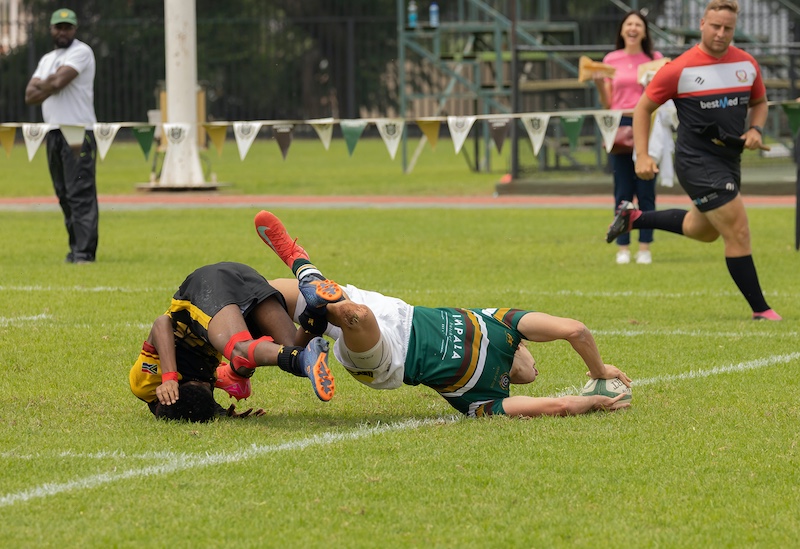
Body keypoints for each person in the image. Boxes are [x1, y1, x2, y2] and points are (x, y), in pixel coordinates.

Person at [255, 210, 632, 418]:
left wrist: (594, 401)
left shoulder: (487, 401)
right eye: (536, 365)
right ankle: (302, 316)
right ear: (524, 345)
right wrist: (600, 371)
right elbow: (575, 330)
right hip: (397, 310)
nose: (535, 375)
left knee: (356, 314)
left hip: (390, 359)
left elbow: (559, 405)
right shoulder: (501, 321)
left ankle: (306, 273)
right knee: (267, 296)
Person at [606, 0, 782, 321]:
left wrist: (755, 129)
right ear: (702, 24)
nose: (721, 33)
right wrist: (642, 155)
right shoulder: (679, 68)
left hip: (730, 160)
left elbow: (760, 102)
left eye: (728, 28)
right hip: (696, 160)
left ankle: (634, 218)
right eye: (715, 26)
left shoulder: (746, 64)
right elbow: (643, 108)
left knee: (704, 230)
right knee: (738, 230)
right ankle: (761, 309)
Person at [129, 262, 335, 422]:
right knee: (293, 346)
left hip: (205, 288)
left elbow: (161, 323)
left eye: (198, 384)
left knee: (239, 351)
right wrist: (224, 414)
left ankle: (300, 359)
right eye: (207, 388)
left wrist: (169, 377)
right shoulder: (198, 391)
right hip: (242, 280)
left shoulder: (145, 386)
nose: (205, 383)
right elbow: (227, 379)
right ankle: (314, 309)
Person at [25, 8, 99, 264]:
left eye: (68, 27)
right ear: (51, 29)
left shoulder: (82, 51)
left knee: (80, 192)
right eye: (59, 27)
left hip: (78, 131)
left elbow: (57, 84)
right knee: (63, 193)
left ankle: (84, 253)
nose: (63, 31)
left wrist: (46, 83)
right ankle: (75, 248)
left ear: (75, 29)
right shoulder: (47, 59)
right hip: (54, 130)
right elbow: (29, 96)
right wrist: (52, 82)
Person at [593, 10, 664, 265]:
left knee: (646, 189)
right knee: (622, 189)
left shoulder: (655, 59)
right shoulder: (611, 59)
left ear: (644, 31)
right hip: (620, 125)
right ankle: (622, 246)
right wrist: (599, 83)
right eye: (628, 24)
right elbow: (607, 101)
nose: (633, 28)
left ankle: (645, 246)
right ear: (622, 30)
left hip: (647, 124)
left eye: (638, 25)